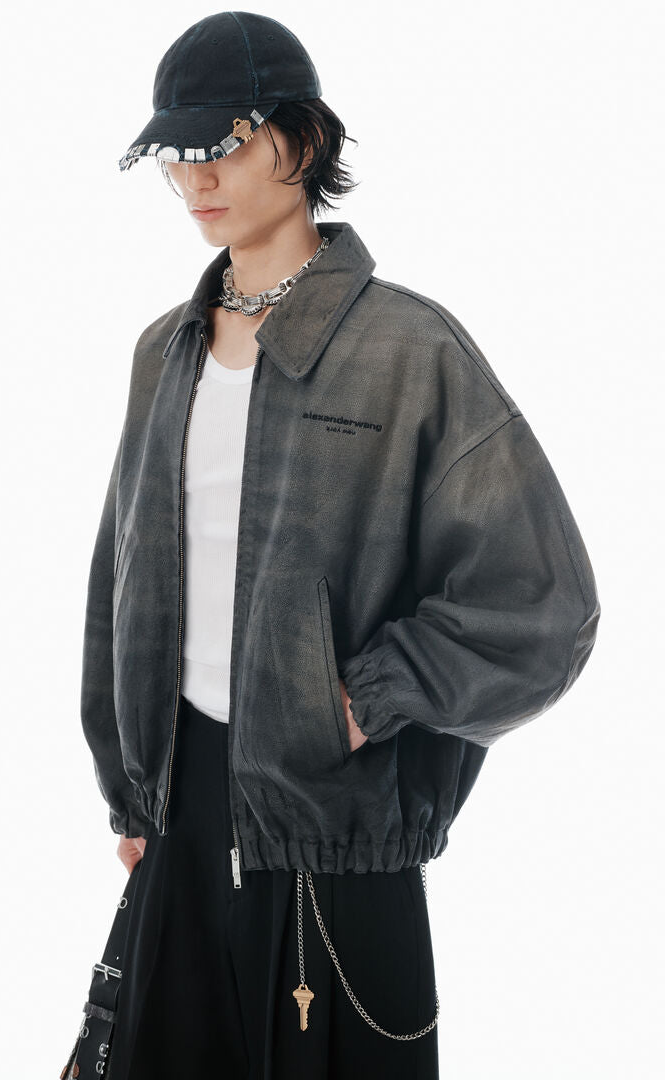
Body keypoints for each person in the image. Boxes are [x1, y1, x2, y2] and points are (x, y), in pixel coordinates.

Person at [78, 12, 601, 1080]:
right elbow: (117, 584)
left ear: (303, 141)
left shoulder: (408, 348)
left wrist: (364, 696)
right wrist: (131, 792)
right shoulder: (163, 352)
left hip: (337, 840)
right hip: (176, 824)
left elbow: (541, 603)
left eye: (221, 146)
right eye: (175, 156)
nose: (194, 181)